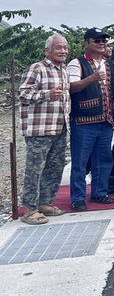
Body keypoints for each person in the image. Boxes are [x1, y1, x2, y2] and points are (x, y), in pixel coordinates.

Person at [18, 34, 71, 224]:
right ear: (47, 51)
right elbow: (23, 94)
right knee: (35, 169)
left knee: (55, 167)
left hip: (59, 127)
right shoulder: (37, 68)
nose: (63, 51)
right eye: (59, 48)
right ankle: (29, 209)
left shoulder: (63, 70)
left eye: (65, 47)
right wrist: (46, 94)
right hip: (39, 129)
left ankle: (44, 203)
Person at [67, 28, 114, 210]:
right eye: (97, 41)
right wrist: (92, 78)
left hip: (105, 120)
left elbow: (113, 91)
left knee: (103, 159)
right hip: (83, 121)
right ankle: (78, 198)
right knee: (80, 161)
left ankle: (99, 193)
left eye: (104, 40)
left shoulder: (111, 64)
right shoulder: (76, 63)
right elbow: (72, 87)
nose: (102, 43)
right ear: (86, 43)